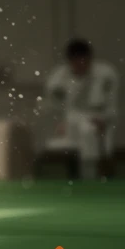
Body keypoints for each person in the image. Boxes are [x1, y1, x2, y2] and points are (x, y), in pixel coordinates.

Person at [45, 38, 119, 179]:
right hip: (72, 118)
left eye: (84, 61)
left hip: (99, 117)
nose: (81, 65)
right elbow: (55, 105)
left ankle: (90, 177)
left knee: (88, 132)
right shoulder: (58, 78)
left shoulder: (106, 74)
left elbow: (112, 103)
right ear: (69, 62)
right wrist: (61, 122)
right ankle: (77, 177)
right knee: (74, 141)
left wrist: (106, 119)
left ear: (90, 59)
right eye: (76, 62)